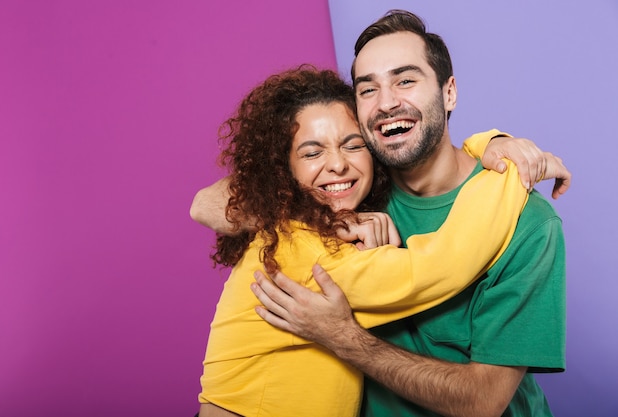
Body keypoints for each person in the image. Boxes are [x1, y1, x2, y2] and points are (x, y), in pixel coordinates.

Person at [194, 66, 568, 417]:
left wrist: (490, 143)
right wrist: (511, 174)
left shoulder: (353, 205)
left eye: (352, 145)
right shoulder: (298, 245)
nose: (338, 164)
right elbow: (438, 267)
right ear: (281, 170)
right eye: (311, 152)